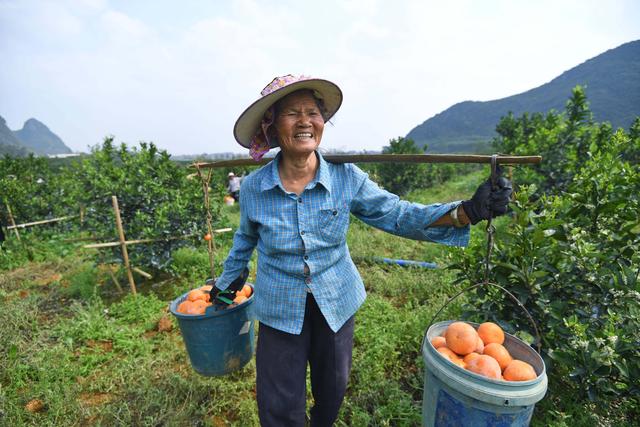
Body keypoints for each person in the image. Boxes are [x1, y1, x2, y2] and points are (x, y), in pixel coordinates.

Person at [211, 74, 512, 427]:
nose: (305, 121)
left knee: (332, 389)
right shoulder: (253, 188)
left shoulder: (345, 177)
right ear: (272, 127)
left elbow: (398, 215)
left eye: (313, 112)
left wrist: (467, 211)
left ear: (322, 123)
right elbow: (244, 239)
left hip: (335, 302)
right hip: (278, 306)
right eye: (292, 113)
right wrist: (227, 283)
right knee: (278, 404)